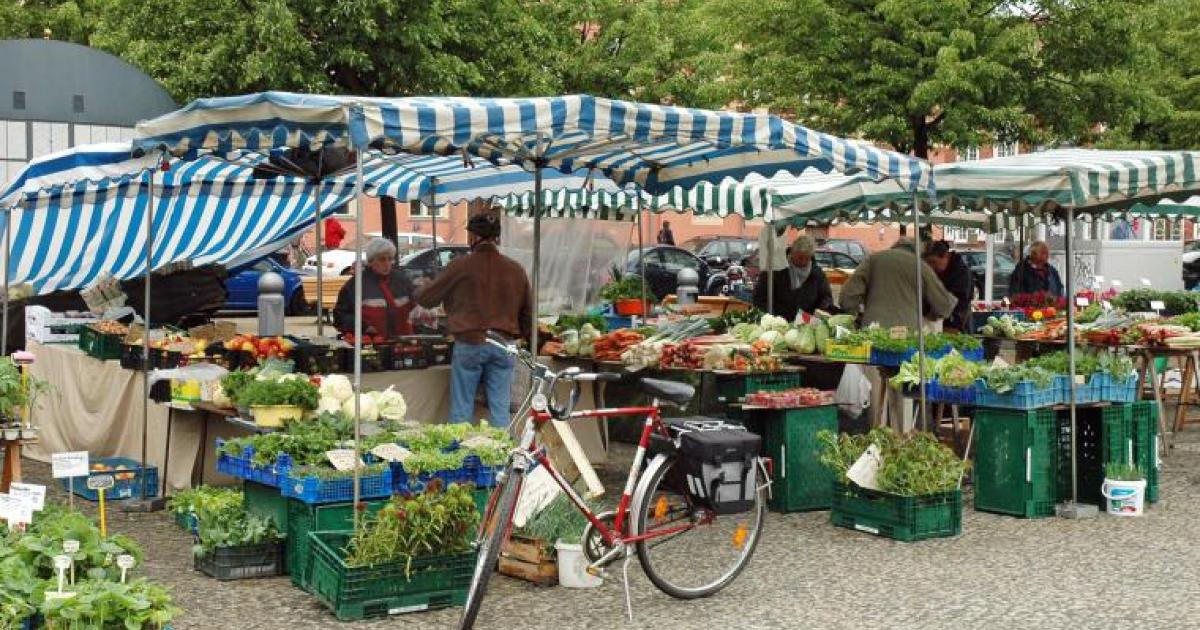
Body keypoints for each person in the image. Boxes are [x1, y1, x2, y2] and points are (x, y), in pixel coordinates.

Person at [415, 213, 533, 427]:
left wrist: (420, 287)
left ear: (472, 237)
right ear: (497, 238)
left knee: (461, 410)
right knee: (500, 410)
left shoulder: (460, 265)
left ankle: (461, 457)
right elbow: (528, 314)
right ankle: (503, 455)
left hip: (470, 342)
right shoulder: (516, 269)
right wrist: (529, 339)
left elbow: (426, 298)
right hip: (504, 344)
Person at [839, 238, 957, 432]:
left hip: (874, 337)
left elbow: (847, 296)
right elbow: (944, 305)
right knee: (904, 399)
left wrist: (857, 315)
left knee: (875, 397)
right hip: (907, 342)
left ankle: (875, 439)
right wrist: (933, 314)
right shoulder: (919, 266)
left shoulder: (874, 259)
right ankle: (901, 440)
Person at [332, 237, 414, 338]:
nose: (387, 263)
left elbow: (416, 306)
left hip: (405, 343)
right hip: (371, 344)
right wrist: (364, 327)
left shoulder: (402, 280)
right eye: (382, 259)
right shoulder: (356, 285)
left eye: (390, 259)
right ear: (370, 261)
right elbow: (340, 317)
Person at [752, 234, 834, 322]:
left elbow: (826, 298)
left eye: (807, 258)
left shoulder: (817, 274)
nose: (803, 261)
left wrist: (820, 311)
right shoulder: (774, 269)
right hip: (777, 322)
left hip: (807, 323)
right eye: (800, 258)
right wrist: (770, 318)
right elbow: (759, 297)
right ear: (792, 253)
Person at [922, 240, 973, 332]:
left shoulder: (962, 273)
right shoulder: (936, 272)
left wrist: (951, 324)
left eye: (933, 262)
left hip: (955, 325)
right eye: (927, 263)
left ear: (946, 256)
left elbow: (960, 303)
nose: (931, 267)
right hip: (935, 324)